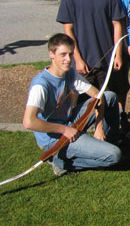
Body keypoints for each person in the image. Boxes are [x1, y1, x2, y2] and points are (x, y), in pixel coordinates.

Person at [23, 33, 121, 176]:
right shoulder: (41, 85)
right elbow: (29, 122)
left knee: (109, 96)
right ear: (51, 54)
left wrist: (99, 127)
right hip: (53, 139)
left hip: (69, 122)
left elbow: (97, 95)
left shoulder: (69, 73)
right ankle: (60, 162)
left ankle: (107, 141)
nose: (68, 59)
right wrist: (64, 130)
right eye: (63, 55)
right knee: (114, 155)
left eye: (70, 54)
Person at [56, 0, 127, 109]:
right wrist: (78, 59)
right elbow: (68, 31)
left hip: (107, 61)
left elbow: (117, 25)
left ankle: (112, 124)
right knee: (81, 106)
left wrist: (118, 55)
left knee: (108, 100)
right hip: (83, 62)